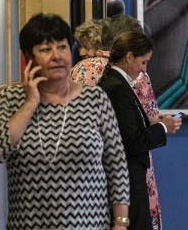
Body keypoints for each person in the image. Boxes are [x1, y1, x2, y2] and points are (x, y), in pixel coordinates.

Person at [0, 13, 130, 230]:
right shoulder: (12, 99)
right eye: (45, 49)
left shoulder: (95, 99)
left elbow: (116, 164)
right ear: (28, 57)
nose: (56, 56)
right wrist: (31, 103)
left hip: (90, 225)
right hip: (29, 225)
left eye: (62, 47)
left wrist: (120, 223)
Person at [71, 14, 166, 229]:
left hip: (89, 164)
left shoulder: (80, 70)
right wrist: (162, 126)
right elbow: (149, 119)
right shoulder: (137, 74)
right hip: (131, 167)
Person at [98, 31, 182, 230]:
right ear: (129, 56)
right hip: (128, 178)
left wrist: (151, 121)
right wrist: (163, 127)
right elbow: (131, 141)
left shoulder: (116, 83)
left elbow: (127, 127)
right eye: (143, 62)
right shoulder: (116, 87)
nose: (144, 70)